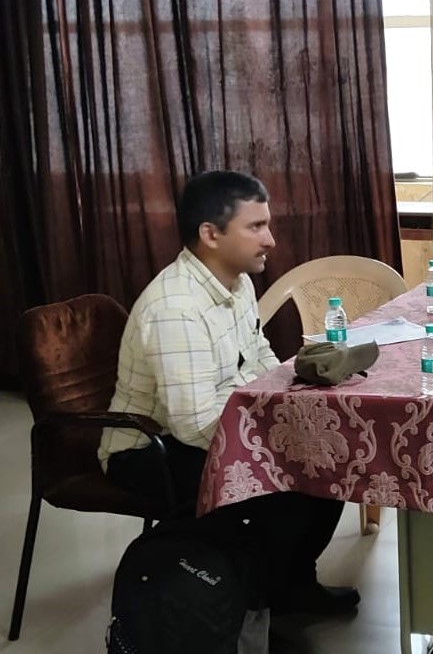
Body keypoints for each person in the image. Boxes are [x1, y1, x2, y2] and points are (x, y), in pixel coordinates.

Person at [99, 170, 359, 616]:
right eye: (256, 226)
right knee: (288, 483)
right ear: (210, 234)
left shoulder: (237, 283)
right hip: (148, 451)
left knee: (325, 460)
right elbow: (192, 423)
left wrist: (290, 410)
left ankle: (291, 586)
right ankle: (251, 608)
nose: (270, 239)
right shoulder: (175, 309)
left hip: (213, 430)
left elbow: (259, 355)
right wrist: (273, 443)